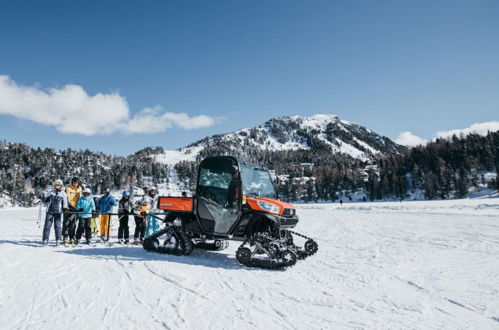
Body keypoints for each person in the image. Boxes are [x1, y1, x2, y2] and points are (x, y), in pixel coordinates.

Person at [41, 179, 68, 246]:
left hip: (58, 212)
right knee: (47, 226)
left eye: (58, 185)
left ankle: (58, 239)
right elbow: (45, 201)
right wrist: (43, 198)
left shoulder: (63, 193)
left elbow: (65, 203)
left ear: (61, 186)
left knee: (57, 226)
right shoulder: (50, 192)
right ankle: (45, 239)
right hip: (49, 211)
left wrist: (64, 208)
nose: (57, 186)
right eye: (56, 185)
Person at [63, 177, 82, 246]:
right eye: (74, 182)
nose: (75, 184)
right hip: (68, 208)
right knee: (66, 223)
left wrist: (79, 207)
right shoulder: (68, 189)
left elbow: (80, 199)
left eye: (76, 183)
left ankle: (72, 237)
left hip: (75, 209)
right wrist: (70, 206)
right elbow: (67, 198)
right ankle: (65, 237)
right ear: (72, 182)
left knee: (73, 223)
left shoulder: (79, 189)